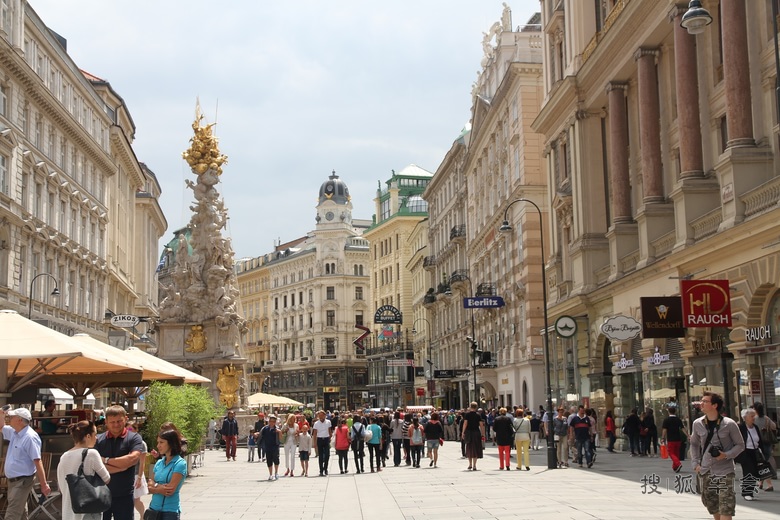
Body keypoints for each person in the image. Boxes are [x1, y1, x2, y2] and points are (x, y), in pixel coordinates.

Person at [690, 391, 745, 520]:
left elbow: (740, 445)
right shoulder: (697, 424)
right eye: (701, 401)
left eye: (705, 401)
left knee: (726, 506)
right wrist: (695, 463)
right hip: (706, 470)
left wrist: (726, 454)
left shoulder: (729, 424)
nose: (701, 404)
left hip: (725, 471)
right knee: (712, 505)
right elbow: (694, 444)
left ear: (715, 405)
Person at [1, 407, 52, 519]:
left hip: (22, 481)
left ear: (19, 420)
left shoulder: (30, 437)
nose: (9, 418)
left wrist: (44, 485)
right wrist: (1, 413)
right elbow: (1, 426)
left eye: (12, 417)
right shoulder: (15, 432)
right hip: (14, 480)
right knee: (20, 513)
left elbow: (38, 461)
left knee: (12, 515)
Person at [94, 405, 143, 520]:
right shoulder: (98, 440)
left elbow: (132, 459)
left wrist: (105, 460)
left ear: (125, 419)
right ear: (106, 422)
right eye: (112, 422)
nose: (116, 424)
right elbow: (95, 466)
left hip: (124, 495)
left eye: (119, 421)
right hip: (101, 494)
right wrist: (121, 466)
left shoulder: (134, 438)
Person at [57, 421, 111, 520]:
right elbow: (107, 478)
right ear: (88, 436)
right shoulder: (91, 454)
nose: (97, 437)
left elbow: (61, 486)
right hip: (88, 512)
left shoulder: (64, 456)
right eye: (95, 434)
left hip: (69, 511)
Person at [146, 429, 187, 519]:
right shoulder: (159, 462)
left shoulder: (180, 463)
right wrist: (159, 488)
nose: (158, 446)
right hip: (153, 509)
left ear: (171, 443)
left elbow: (169, 490)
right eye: (158, 442)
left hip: (170, 511)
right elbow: (149, 486)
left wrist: (154, 486)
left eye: (161, 442)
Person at [737, 408, 762, 501]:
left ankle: (749, 492)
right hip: (745, 452)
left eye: (754, 415)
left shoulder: (755, 427)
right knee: (749, 471)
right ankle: (747, 493)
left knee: (754, 472)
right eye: (751, 416)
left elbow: (760, 440)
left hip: (755, 452)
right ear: (745, 417)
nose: (753, 417)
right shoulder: (740, 427)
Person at [752, 401, 776, 492]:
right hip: (767, 443)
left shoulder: (754, 419)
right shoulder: (766, 418)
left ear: (755, 409)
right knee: (762, 462)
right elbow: (774, 426)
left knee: (762, 464)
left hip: (759, 444)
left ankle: (769, 484)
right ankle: (760, 483)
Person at [461, 402, 485, 471]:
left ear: (470, 406)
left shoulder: (467, 415)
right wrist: (483, 434)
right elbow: (481, 425)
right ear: (476, 407)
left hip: (469, 432)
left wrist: (463, 432)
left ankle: (470, 464)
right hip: (476, 432)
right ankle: (474, 465)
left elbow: (465, 424)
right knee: (476, 448)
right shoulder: (478, 415)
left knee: (469, 448)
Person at [661, 406, 685, 473]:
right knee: (676, 453)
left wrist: (663, 438)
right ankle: (675, 467)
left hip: (671, 439)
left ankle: (678, 463)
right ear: (675, 411)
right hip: (678, 438)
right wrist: (688, 435)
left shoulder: (666, 420)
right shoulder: (678, 419)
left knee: (671, 452)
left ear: (668, 412)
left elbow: (664, 430)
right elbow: (683, 428)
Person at [259, 415, 281, 480]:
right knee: (269, 460)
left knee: (276, 459)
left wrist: (279, 432)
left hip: (275, 446)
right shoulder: (265, 429)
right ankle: (270, 474)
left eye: (273, 421)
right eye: (270, 421)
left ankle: (276, 473)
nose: (272, 423)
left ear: (275, 422)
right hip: (267, 446)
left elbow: (280, 439)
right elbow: (261, 435)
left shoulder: (277, 429)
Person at [312, 410, 332, 476]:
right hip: (320, 439)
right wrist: (315, 443)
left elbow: (329, 431)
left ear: (324, 415)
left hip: (326, 439)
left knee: (327, 455)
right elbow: (315, 434)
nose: (320, 417)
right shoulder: (316, 423)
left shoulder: (328, 422)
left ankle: (325, 468)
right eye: (319, 415)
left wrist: (330, 438)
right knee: (320, 456)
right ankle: (321, 470)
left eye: (322, 415)